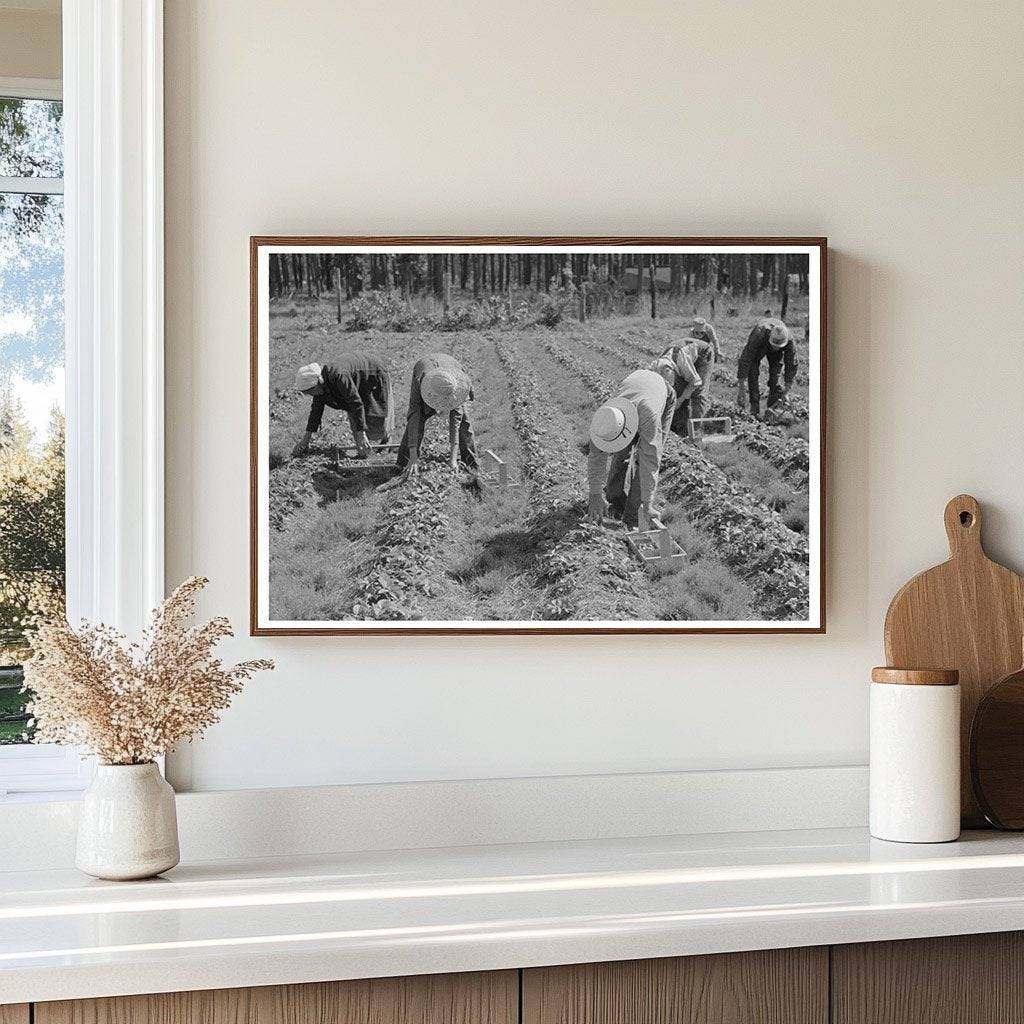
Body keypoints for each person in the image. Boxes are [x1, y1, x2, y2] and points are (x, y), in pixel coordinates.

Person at [587, 367, 675, 529]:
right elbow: (596, 456)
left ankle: (632, 518)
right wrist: (594, 494)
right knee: (622, 452)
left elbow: (650, 461)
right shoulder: (606, 419)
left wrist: (647, 504)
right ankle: (615, 498)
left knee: (644, 457)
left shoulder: (649, 416)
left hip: (661, 392)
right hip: (636, 388)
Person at [394, 353, 479, 479]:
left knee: (463, 422)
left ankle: (471, 464)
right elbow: (414, 417)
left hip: (451, 366)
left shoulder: (457, 387)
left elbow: (455, 422)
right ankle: (405, 462)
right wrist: (413, 458)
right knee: (417, 418)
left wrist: (453, 459)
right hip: (424, 366)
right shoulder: (420, 381)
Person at [291, 355, 394, 458]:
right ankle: (363, 455)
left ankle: (386, 444)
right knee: (356, 421)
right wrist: (305, 440)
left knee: (375, 424)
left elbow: (355, 403)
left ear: (318, 382)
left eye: (310, 391)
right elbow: (315, 413)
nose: (311, 395)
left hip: (373, 374)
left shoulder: (338, 376)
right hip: (356, 384)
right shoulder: (320, 388)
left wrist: (361, 434)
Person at [736, 317, 797, 416]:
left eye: (778, 346)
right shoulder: (758, 335)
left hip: (778, 352)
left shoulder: (789, 340)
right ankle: (754, 409)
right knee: (753, 373)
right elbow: (746, 359)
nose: (776, 348)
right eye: (774, 346)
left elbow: (792, 363)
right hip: (762, 345)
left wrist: (787, 389)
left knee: (775, 377)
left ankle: (772, 410)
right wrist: (741, 386)